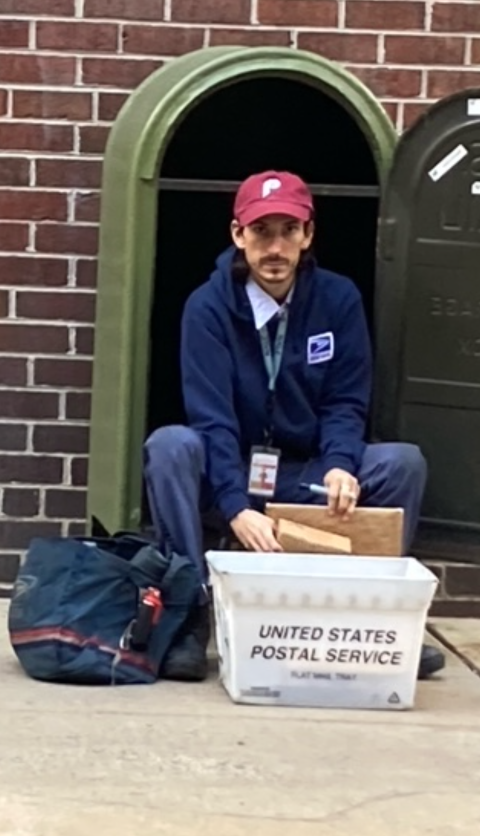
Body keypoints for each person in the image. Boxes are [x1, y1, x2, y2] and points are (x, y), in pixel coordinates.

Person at [144, 170, 445, 682]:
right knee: (170, 446)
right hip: (234, 469)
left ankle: (379, 621)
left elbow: (346, 401)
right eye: (262, 232)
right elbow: (211, 418)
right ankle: (188, 613)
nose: (276, 248)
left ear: (308, 235)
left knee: (401, 462)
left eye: (289, 230)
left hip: (304, 469)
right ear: (238, 235)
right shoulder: (208, 307)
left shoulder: (338, 299)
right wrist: (236, 507)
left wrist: (339, 466)